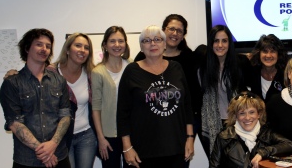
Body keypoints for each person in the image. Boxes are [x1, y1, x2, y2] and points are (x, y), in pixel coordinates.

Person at [117, 25, 194, 168]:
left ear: (164, 44)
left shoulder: (176, 68)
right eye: (147, 40)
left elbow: (187, 106)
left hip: (176, 148)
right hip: (142, 151)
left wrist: (190, 138)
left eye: (157, 39)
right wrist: (127, 148)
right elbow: (122, 114)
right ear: (141, 46)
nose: (153, 43)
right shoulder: (132, 71)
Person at [134, 14, 203, 161]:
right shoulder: (143, 57)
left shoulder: (189, 58)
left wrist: (190, 129)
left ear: (184, 35)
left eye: (180, 31)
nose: (175, 33)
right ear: (164, 30)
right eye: (171, 29)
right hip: (152, 122)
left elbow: (192, 94)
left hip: (181, 122)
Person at [0, 28, 71, 167]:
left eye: (48, 46)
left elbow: (65, 115)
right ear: (27, 48)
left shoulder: (59, 81)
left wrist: (53, 144)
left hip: (58, 156)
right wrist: (44, 152)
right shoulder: (12, 83)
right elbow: (14, 123)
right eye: (39, 44)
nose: (44, 49)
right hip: (27, 160)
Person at [210, 92, 292, 168]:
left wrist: (263, 152)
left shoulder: (267, 133)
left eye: (251, 112)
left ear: (259, 114)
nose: (247, 118)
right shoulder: (224, 137)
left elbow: (291, 145)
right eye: (242, 113)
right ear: (235, 116)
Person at [199, 25, 249, 155]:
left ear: (229, 43)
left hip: (238, 122)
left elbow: (249, 94)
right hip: (212, 125)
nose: (220, 45)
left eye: (224, 41)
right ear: (210, 43)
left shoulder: (241, 64)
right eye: (216, 41)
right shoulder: (203, 68)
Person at [52, 33, 97, 168]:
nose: (82, 50)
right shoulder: (50, 73)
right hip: (61, 137)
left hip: (87, 135)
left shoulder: (91, 73)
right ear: (67, 49)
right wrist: (13, 72)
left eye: (86, 47)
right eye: (78, 45)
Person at [91, 26, 131, 168]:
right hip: (108, 136)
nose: (117, 45)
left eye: (121, 41)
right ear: (105, 45)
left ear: (125, 44)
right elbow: (96, 107)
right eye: (112, 41)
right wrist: (100, 138)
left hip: (131, 132)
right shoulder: (98, 72)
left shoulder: (132, 66)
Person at [247, 34, 288, 102]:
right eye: (265, 51)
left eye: (273, 51)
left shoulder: (286, 74)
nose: (268, 55)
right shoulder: (252, 72)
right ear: (259, 53)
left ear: (279, 54)